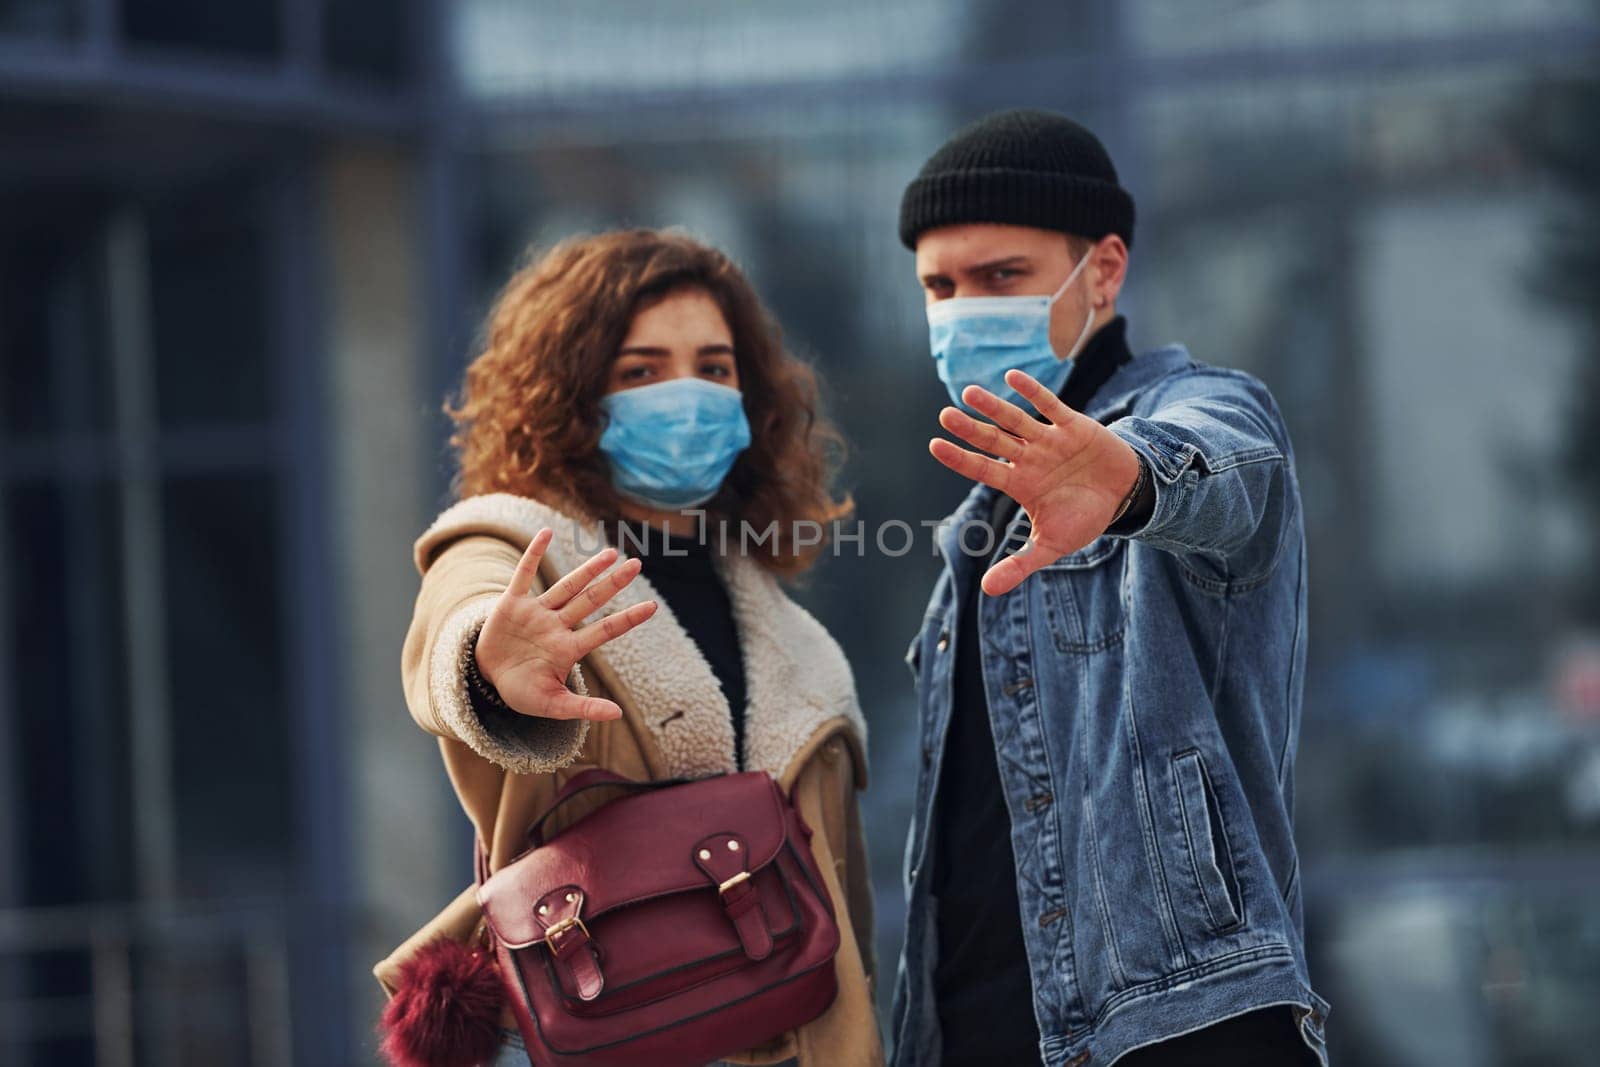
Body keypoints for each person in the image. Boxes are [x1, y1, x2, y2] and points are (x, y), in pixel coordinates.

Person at [373, 228, 883, 1066]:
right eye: (641, 371)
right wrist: (489, 669)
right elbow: (460, 620)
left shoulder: (785, 626)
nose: (685, 395)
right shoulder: (511, 550)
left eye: (714, 369)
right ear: (573, 398)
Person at [888, 108, 1331, 1066]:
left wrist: (1130, 481)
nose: (963, 307)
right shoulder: (972, 527)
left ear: (1105, 270)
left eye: (1001, 276)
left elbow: (1226, 469)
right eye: (939, 285)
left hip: (1176, 1029)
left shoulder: (1195, 407)